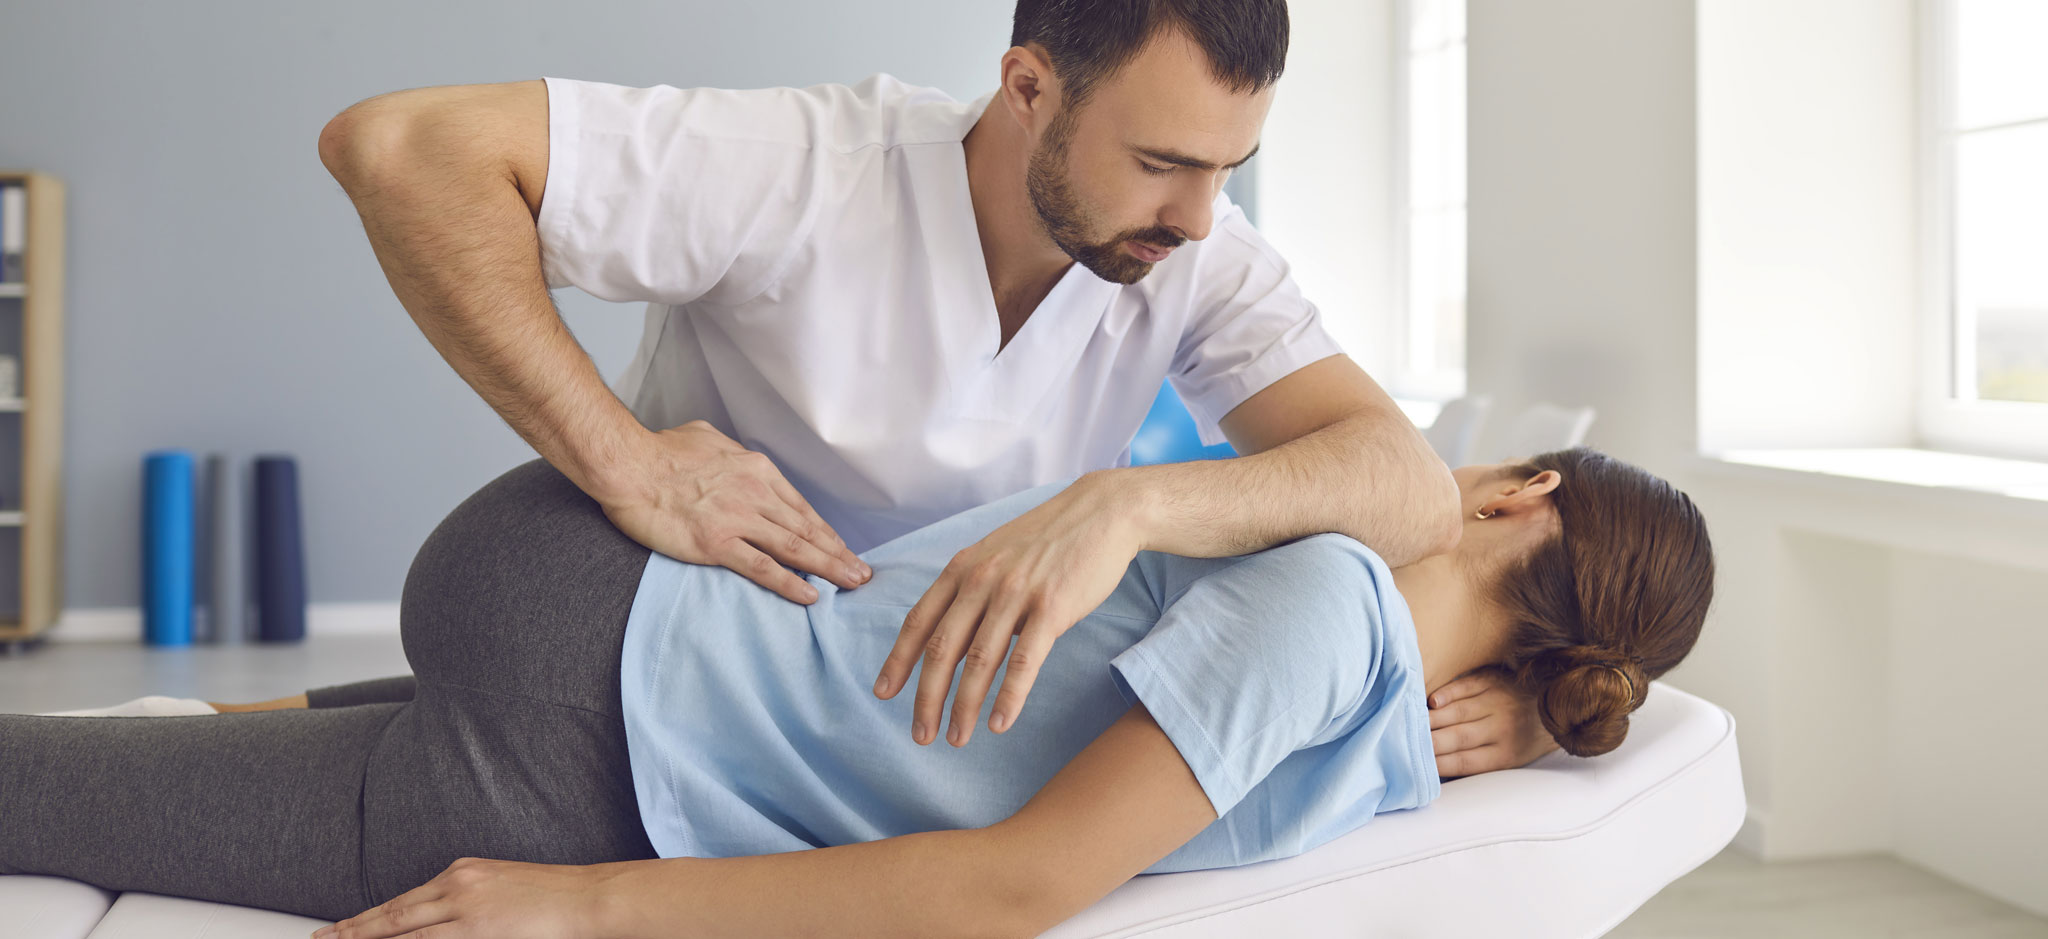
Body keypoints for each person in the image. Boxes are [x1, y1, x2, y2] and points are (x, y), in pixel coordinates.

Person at [315, 0, 1559, 776]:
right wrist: (625, 461)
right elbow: (401, 149)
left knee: (342, 732)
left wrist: (1124, 508)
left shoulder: (1192, 250)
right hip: (652, 651)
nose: (1198, 215)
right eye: (1162, 163)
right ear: (1027, 90)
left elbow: (1400, 483)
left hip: (894, 707)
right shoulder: (803, 167)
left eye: (1231, 168)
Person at [1, 446, 1714, 937]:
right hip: (586, 703)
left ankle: (265, 729)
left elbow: (1012, 879)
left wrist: (584, 907)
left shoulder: (1331, 619)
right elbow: (1018, 872)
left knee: (79, 773)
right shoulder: (1350, 638)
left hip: (591, 644)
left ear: (1511, 491)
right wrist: (583, 899)